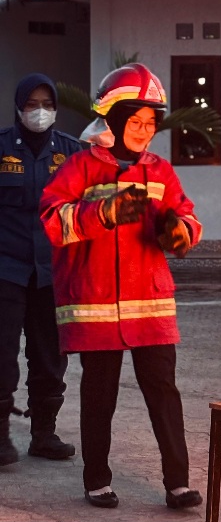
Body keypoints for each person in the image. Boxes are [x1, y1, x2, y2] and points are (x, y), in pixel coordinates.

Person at [39, 63, 203, 510]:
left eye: (151, 123)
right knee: (99, 396)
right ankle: (97, 481)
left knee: (164, 396)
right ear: (113, 118)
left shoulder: (161, 172)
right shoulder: (79, 167)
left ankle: (178, 485)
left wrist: (179, 232)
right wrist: (103, 214)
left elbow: (188, 217)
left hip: (149, 310)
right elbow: (53, 223)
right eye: (136, 122)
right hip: (95, 309)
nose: (145, 131)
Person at [0, 73, 81, 465]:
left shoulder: (71, 152)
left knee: (50, 355)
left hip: (52, 272)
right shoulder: (0, 149)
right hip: (6, 270)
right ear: (19, 107)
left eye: (46, 104)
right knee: (1, 353)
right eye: (31, 104)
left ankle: (44, 434)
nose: (39, 111)